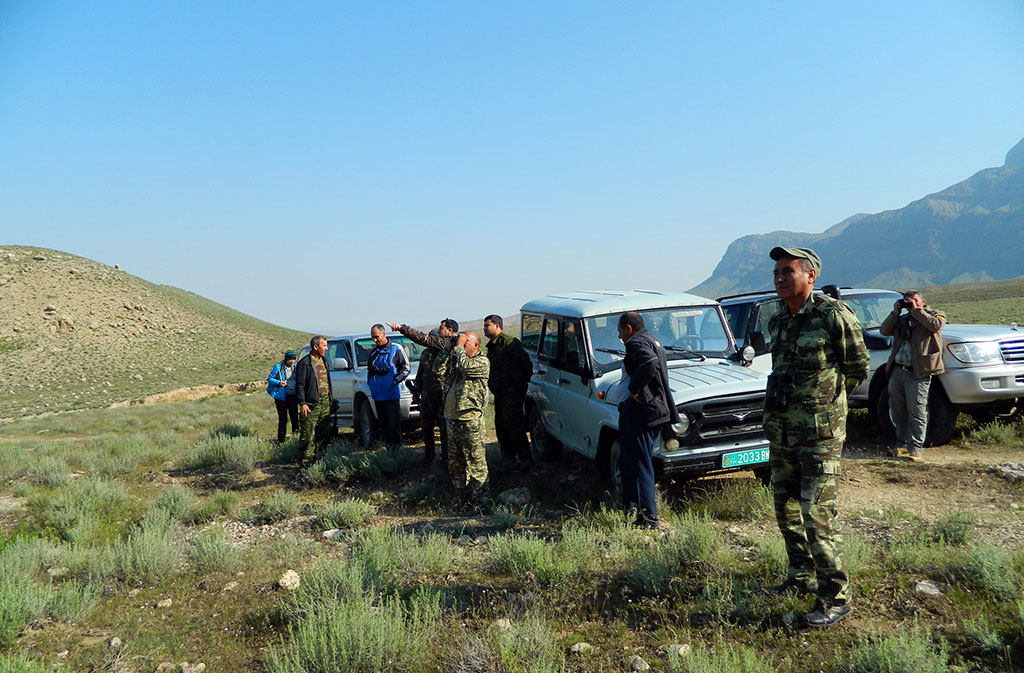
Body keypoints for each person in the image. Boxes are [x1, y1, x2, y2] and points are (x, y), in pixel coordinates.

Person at [764, 246, 869, 628]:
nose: (779, 278)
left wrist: (827, 404)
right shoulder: (779, 320)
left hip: (820, 434)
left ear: (810, 275)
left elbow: (857, 366)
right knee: (786, 508)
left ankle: (836, 596)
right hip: (783, 430)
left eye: (787, 271)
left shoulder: (832, 315)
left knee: (817, 512)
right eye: (776, 272)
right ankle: (800, 574)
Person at [616, 311, 680, 529]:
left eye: (620, 331)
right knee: (629, 461)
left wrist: (635, 389)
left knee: (641, 463)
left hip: (641, 410)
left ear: (629, 328)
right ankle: (631, 507)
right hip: (651, 409)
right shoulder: (652, 339)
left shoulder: (636, 343)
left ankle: (648, 518)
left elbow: (649, 363)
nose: (620, 337)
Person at [879, 291, 946, 462]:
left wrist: (917, 311)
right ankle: (901, 444)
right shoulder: (902, 319)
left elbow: (935, 326)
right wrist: (895, 312)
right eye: (908, 302)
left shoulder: (935, 315)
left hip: (918, 371)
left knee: (917, 410)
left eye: (914, 301)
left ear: (922, 301)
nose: (911, 304)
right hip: (898, 370)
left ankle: (916, 448)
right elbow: (884, 330)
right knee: (897, 410)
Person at [434, 331, 491, 512]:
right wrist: (448, 350)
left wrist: (458, 348)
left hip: (471, 420)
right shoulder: (457, 358)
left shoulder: (481, 362)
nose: (462, 345)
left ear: (475, 345)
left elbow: (466, 367)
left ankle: (481, 504)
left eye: (466, 342)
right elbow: (437, 369)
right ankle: (461, 502)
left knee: (476, 464)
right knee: (456, 465)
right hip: (453, 419)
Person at [483, 314, 534, 466]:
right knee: (501, 425)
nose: (484, 328)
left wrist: (518, 385)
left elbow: (526, 365)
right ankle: (508, 456)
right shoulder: (492, 346)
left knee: (514, 424)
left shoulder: (509, 343)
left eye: (487, 325)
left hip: (512, 391)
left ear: (497, 326)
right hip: (499, 392)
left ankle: (525, 459)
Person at [366, 324, 411, 450]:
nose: (375, 340)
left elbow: (406, 369)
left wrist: (394, 381)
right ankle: (386, 450)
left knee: (394, 424)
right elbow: (369, 371)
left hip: (391, 394)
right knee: (383, 425)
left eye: (376, 337)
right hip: (378, 395)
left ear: (383, 334)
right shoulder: (373, 352)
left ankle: (396, 451)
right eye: (372, 338)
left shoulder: (396, 349)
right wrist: (372, 384)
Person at [407, 328, 449, 464]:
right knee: (426, 426)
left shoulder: (445, 353)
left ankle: (445, 455)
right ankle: (429, 454)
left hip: (441, 396)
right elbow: (420, 374)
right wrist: (416, 392)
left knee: (444, 428)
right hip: (426, 397)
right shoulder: (425, 354)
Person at [295, 336, 334, 466]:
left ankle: (320, 459)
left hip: (325, 402)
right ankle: (305, 464)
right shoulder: (304, 363)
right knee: (307, 434)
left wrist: (331, 399)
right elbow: (300, 385)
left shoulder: (324, 360)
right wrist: (302, 403)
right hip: (311, 404)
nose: (326, 349)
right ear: (316, 347)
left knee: (324, 433)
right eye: (324, 346)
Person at [267, 349, 299, 443]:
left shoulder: (296, 367)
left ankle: (296, 438)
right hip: (282, 397)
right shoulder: (278, 367)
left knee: (295, 418)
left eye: (293, 359)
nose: (291, 361)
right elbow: (270, 379)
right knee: (283, 419)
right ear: (286, 359)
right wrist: (278, 383)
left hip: (293, 395)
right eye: (290, 359)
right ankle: (281, 440)